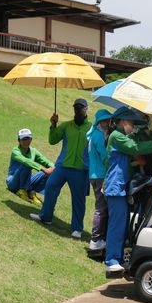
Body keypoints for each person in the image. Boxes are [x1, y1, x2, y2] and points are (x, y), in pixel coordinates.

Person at [104, 108, 152, 276]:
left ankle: (117, 259)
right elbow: (136, 147)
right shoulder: (117, 136)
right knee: (116, 225)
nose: (133, 127)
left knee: (122, 224)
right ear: (124, 122)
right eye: (132, 123)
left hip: (120, 187)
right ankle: (111, 260)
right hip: (115, 187)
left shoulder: (119, 137)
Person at [30, 98, 91, 239]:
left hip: (81, 169)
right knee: (50, 186)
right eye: (76, 107)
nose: (78, 109)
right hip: (63, 165)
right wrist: (53, 125)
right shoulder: (66, 126)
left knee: (78, 199)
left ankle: (77, 228)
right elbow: (52, 140)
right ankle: (46, 216)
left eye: (81, 107)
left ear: (86, 109)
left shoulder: (91, 128)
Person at [6, 128, 54, 206]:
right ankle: (24, 191)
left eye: (28, 139)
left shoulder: (33, 151)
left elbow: (45, 161)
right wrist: (42, 168)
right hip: (13, 182)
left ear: (31, 139)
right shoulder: (15, 151)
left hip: (27, 180)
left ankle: (30, 191)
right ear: (19, 140)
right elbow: (26, 161)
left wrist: (55, 168)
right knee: (27, 164)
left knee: (50, 171)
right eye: (23, 139)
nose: (26, 141)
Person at [87, 109, 113, 251]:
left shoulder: (94, 134)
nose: (108, 122)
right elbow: (105, 157)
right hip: (100, 175)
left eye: (108, 119)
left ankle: (99, 238)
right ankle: (96, 239)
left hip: (95, 174)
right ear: (99, 121)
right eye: (105, 120)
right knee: (101, 208)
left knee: (101, 207)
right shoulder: (98, 136)